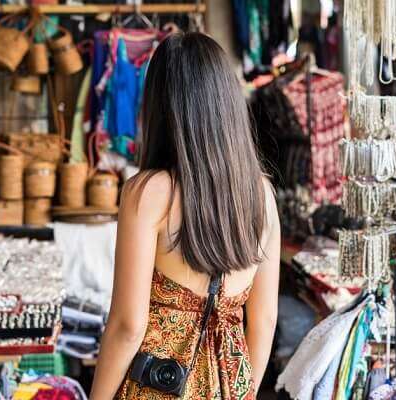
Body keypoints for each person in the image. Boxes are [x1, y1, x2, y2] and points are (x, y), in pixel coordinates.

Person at [89, 33, 281, 400]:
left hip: (158, 387)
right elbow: (264, 319)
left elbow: (128, 325)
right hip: (232, 386)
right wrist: (243, 389)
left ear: (162, 107)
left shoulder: (147, 193)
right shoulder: (262, 196)